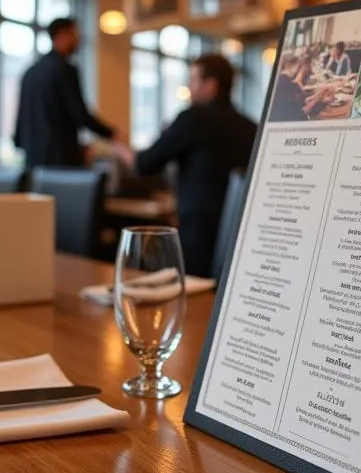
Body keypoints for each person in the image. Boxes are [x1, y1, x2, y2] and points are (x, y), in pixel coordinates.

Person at [115, 55, 256, 278]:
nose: (189, 87)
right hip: (242, 239)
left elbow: (144, 164)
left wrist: (118, 145)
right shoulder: (251, 127)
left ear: (211, 85)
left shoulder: (193, 118)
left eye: (193, 79)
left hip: (197, 235)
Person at [14, 17, 118, 170]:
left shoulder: (30, 72)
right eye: (75, 33)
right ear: (63, 34)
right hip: (60, 156)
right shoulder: (65, 69)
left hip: (33, 157)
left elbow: (22, 116)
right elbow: (78, 113)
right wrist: (111, 134)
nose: (79, 38)